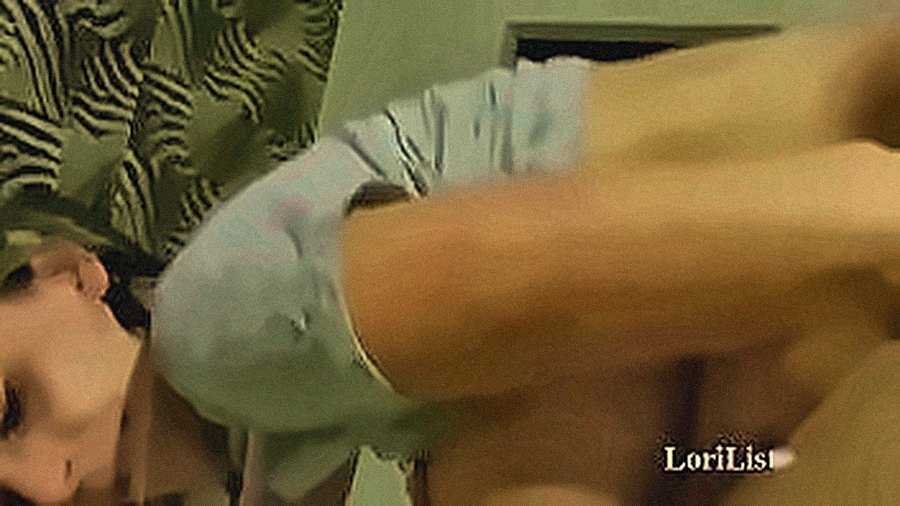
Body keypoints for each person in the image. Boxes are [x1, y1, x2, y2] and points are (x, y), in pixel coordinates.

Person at [0, 10, 899, 506]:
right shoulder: (288, 425)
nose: (42, 491)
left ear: (68, 272)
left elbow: (860, 220)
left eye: (7, 410)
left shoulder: (214, 328)